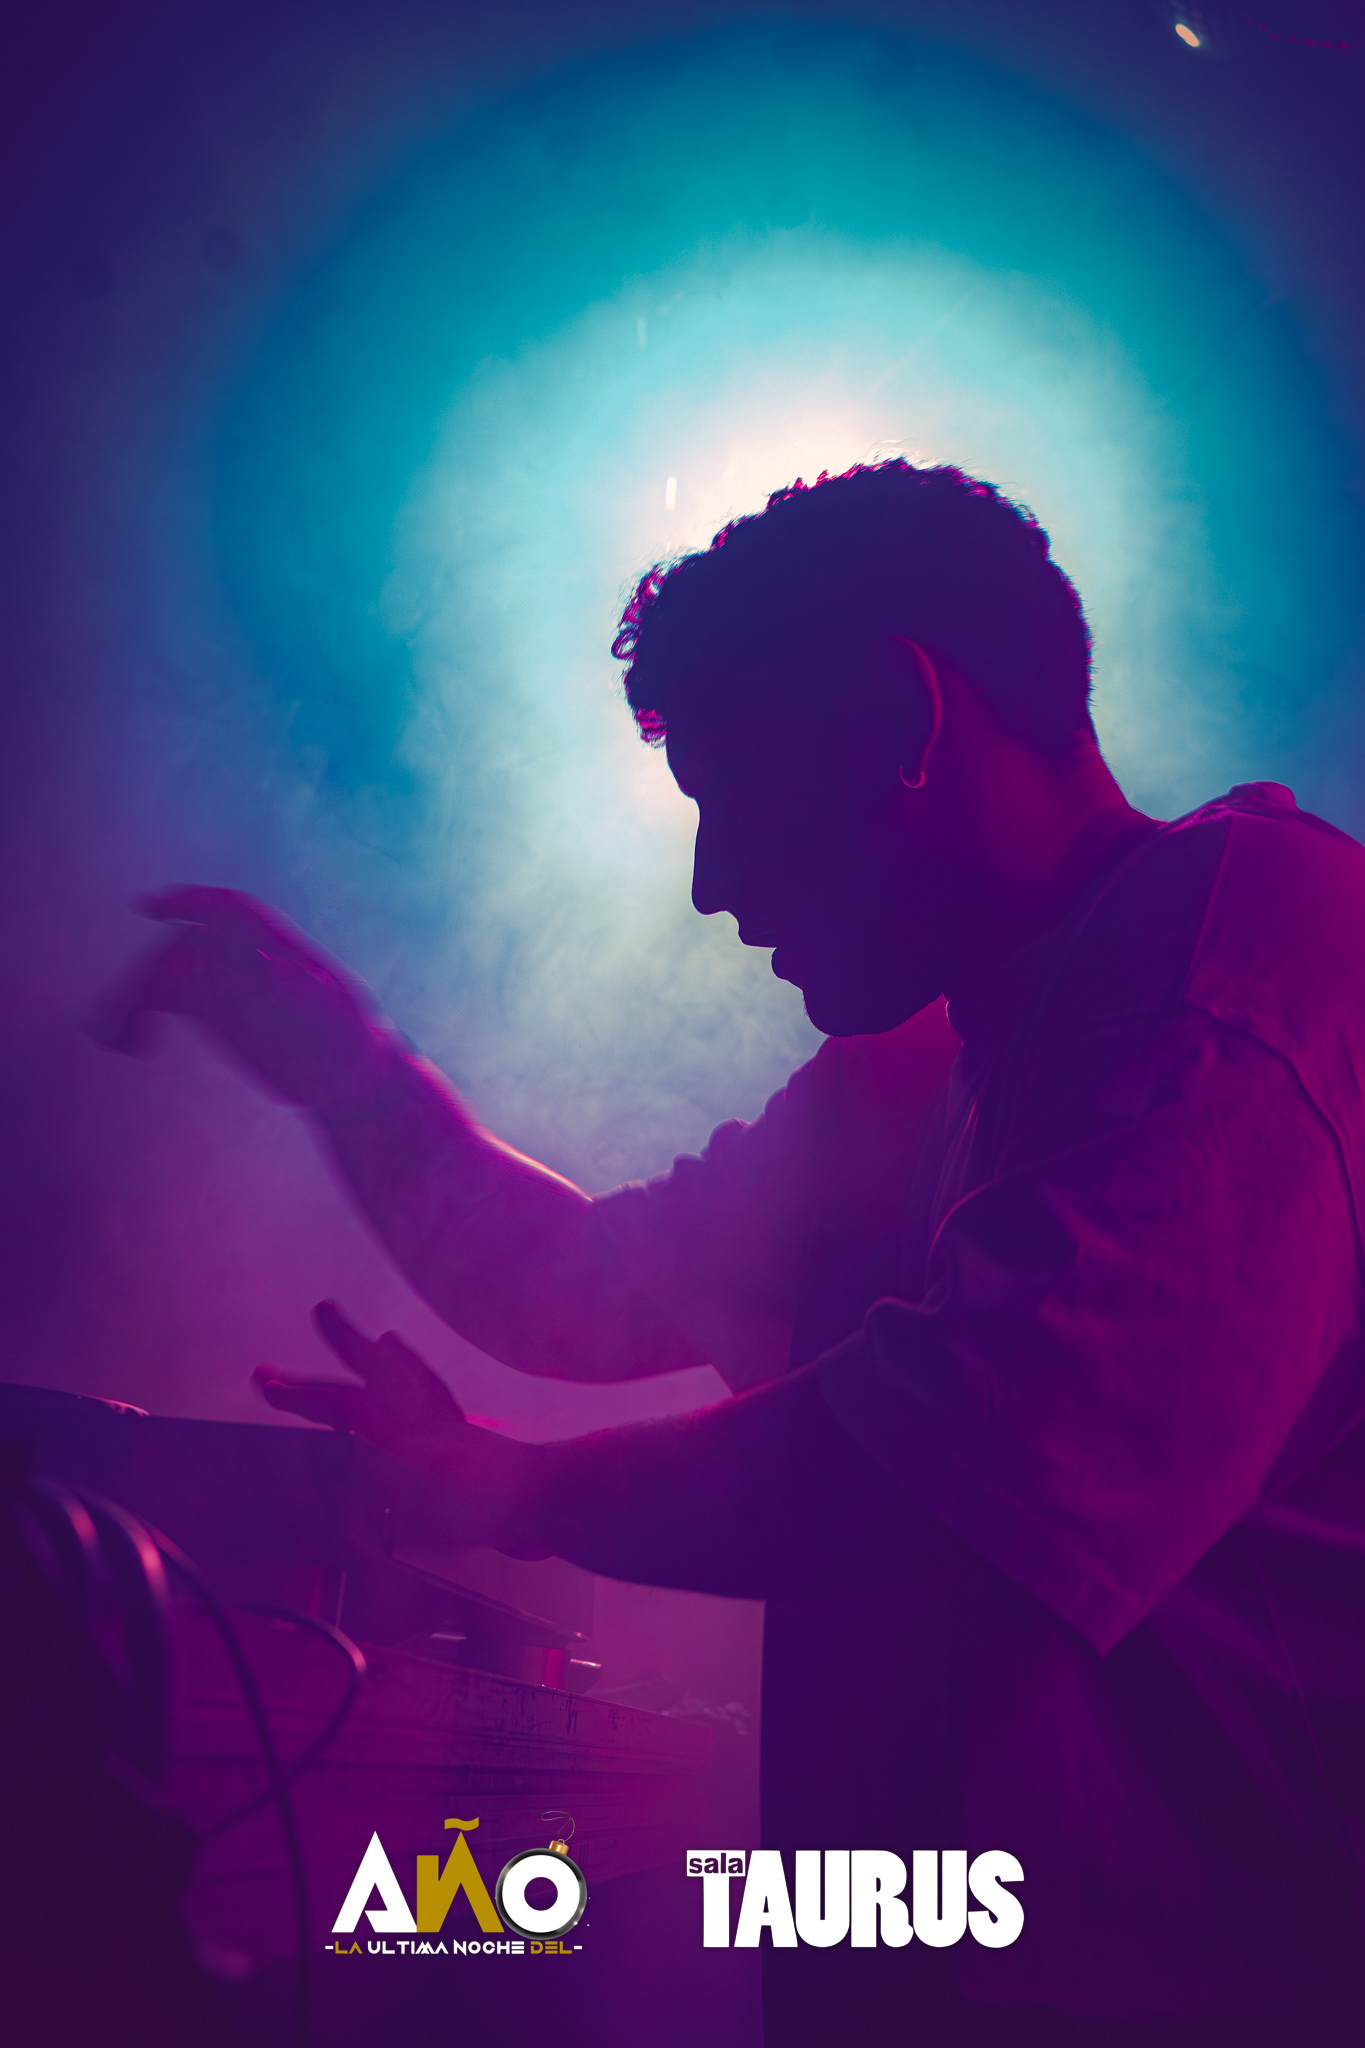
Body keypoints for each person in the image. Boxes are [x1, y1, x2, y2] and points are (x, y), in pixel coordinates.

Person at [102, 462, 1365, 2045]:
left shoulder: (1235, 961)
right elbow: (570, 1289)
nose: (710, 885)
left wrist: (506, 1490)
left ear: (900, 719)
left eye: (729, 792)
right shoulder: (920, 1068)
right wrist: (347, 1070)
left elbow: (954, 1462)